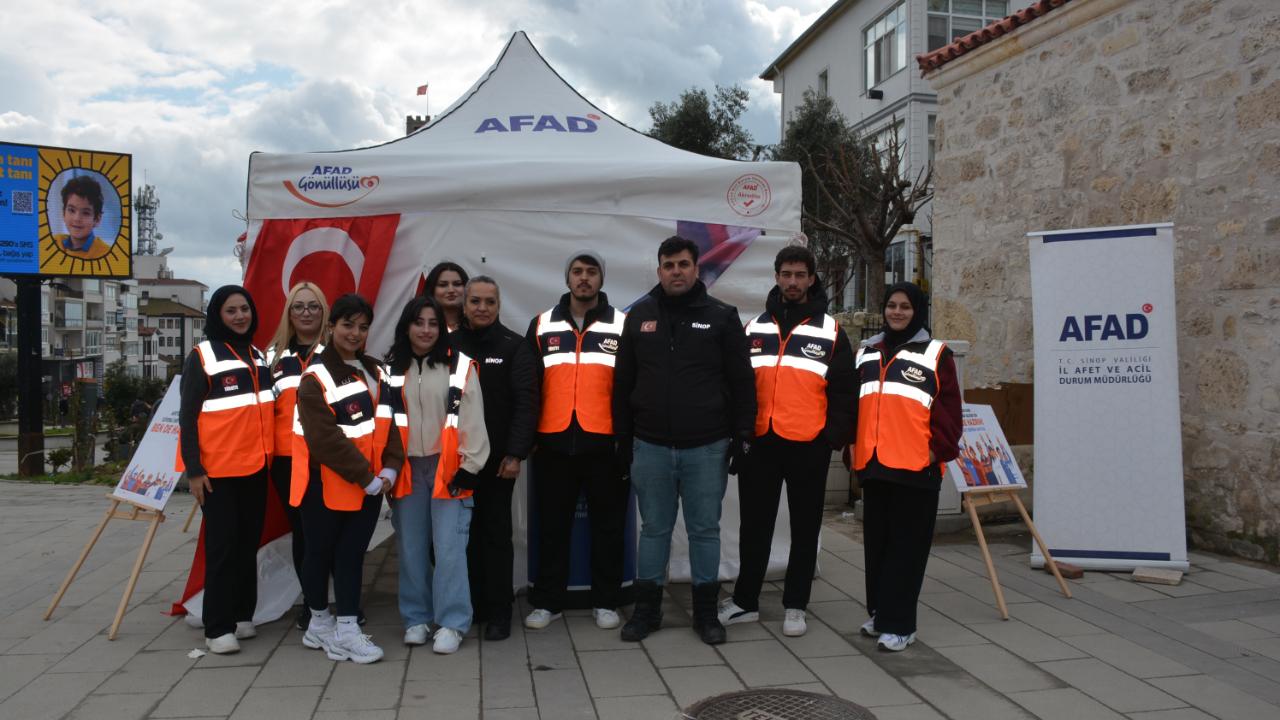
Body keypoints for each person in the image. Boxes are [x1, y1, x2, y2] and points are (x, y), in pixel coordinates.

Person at [612, 235, 755, 645]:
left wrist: (743, 436)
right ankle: (647, 611)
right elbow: (623, 384)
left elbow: (742, 382)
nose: (676, 271)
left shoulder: (721, 316)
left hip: (706, 446)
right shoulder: (638, 317)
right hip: (650, 445)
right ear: (659, 271)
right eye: (669, 265)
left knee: (704, 530)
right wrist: (623, 439)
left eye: (683, 264)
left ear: (697, 269)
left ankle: (706, 614)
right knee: (654, 529)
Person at [719, 245, 856, 638]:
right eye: (786, 274)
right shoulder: (755, 329)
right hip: (761, 443)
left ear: (812, 279)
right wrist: (740, 432)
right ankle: (746, 601)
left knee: (805, 526)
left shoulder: (830, 332)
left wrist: (830, 439)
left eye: (800, 275)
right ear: (776, 277)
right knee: (754, 526)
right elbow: (738, 387)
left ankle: (795, 604)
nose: (792, 282)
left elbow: (845, 392)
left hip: (807, 445)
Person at [292, 294, 404, 664]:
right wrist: (368, 477)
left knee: (351, 556)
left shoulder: (376, 369)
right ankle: (321, 622)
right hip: (325, 486)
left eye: (363, 326)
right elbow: (325, 440)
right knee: (320, 553)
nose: (355, 333)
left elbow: (391, 425)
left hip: (370, 485)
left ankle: (346, 627)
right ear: (331, 327)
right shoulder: (314, 377)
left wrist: (389, 468)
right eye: (348, 325)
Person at [524, 251, 629, 632]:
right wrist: (528, 437)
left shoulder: (622, 324)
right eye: (577, 272)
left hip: (605, 444)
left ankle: (606, 601)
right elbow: (529, 386)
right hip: (553, 442)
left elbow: (632, 387)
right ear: (567, 278)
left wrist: (626, 439)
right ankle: (547, 602)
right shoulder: (541, 325)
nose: (584, 278)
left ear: (602, 279)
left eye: (591, 272)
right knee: (552, 526)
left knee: (608, 527)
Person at [854, 282, 962, 652]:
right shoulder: (867, 351)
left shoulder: (937, 354)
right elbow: (858, 406)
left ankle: (901, 624)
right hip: (875, 465)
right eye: (891, 306)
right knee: (878, 547)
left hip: (917, 470)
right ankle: (881, 612)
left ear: (917, 311)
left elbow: (950, 413)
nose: (897, 312)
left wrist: (935, 452)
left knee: (907, 549)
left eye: (905, 307)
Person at [383, 296, 489, 654]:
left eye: (433, 323)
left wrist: (470, 468)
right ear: (407, 326)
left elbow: (473, 417)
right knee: (411, 548)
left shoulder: (459, 365)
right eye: (419, 322)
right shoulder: (390, 367)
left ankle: (452, 623)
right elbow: (382, 423)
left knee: (449, 548)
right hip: (407, 469)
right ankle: (416, 618)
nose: (426, 330)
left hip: (449, 468)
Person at [177, 285, 275, 654]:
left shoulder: (257, 354)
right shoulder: (202, 356)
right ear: (217, 315)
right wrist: (195, 470)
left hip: (255, 467)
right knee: (221, 548)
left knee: (247, 545)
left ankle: (241, 615)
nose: (239, 316)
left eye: (245, 309)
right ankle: (217, 627)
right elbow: (187, 418)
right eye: (231, 310)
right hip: (217, 473)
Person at [451, 276, 538, 641]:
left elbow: (526, 404)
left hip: (499, 465)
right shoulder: (449, 345)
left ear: (498, 306)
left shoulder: (515, 346)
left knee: (496, 537)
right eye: (475, 301)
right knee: (460, 539)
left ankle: (500, 611)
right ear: (465, 305)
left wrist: (516, 453)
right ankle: (471, 607)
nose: (482, 308)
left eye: (489, 302)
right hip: (455, 464)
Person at [264, 281, 329, 631]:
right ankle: (312, 603)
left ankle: (333, 601)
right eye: (299, 306)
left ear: (324, 312)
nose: (306, 313)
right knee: (304, 533)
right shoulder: (272, 357)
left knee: (327, 533)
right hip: (288, 461)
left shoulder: (337, 352)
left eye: (313, 306)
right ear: (289, 313)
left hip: (326, 458)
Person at [54, 176, 113, 260]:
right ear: (63, 213)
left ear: (97, 219)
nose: (77, 218)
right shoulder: (53, 243)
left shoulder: (106, 254)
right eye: (71, 210)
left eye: (86, 213)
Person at [424, 261, 469, 331]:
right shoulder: (422, 327)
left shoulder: (477, 325)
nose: (451, 290)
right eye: (443, 285)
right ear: (432, 289)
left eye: (457, 284)